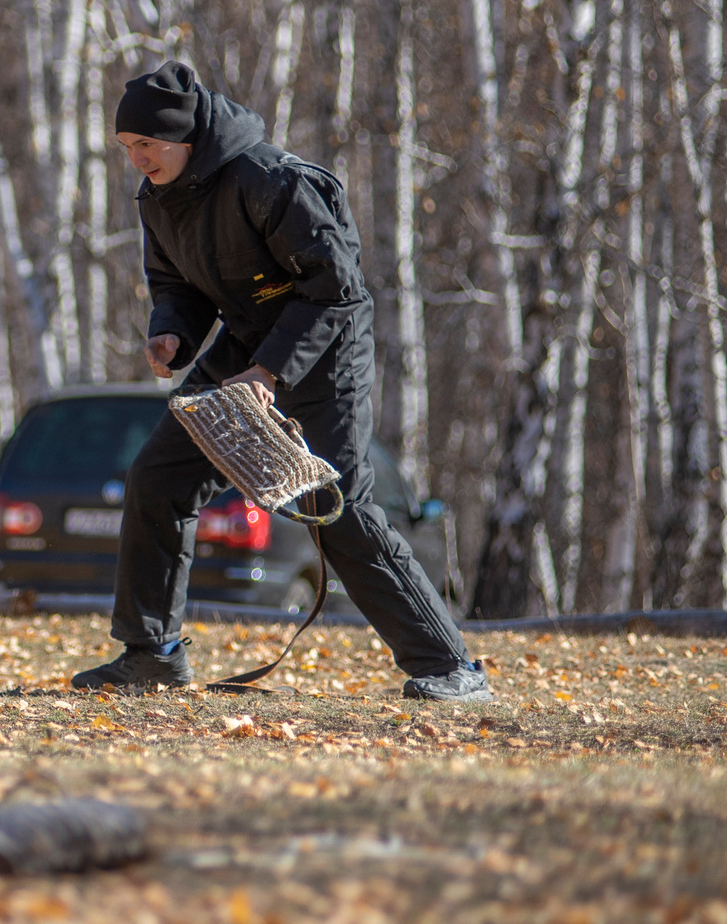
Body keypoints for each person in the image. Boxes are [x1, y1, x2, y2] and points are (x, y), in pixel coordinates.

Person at [72, 61, 490, 703]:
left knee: (338, 507)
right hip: (242, 343)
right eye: (127, 148)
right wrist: (173, 334)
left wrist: (269, 372)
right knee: (160, 477)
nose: (136, 161)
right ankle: (151, 652)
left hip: (323, 349)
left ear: (184, 138)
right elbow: (175, 283)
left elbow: (337, 292)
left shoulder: (274, 180)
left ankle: (450, 665)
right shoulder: (159, 194)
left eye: (145, 146)